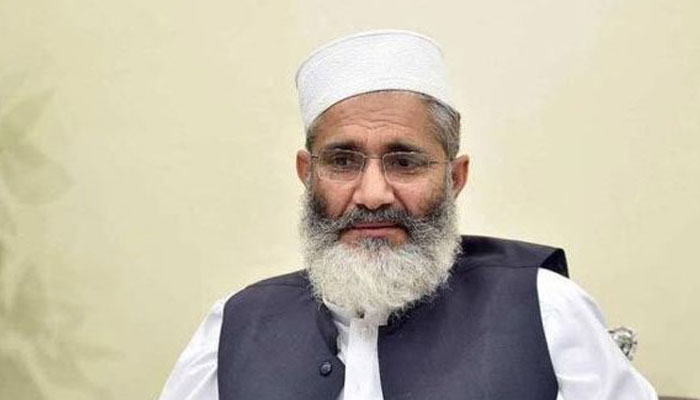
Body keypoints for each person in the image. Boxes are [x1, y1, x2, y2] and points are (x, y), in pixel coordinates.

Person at [158, 30, 657, 400]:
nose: (373, 195)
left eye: (404, 162)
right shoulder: (234, 325)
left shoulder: (545, 307)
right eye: (342, 161)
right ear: (307, 175)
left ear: (454, 178)